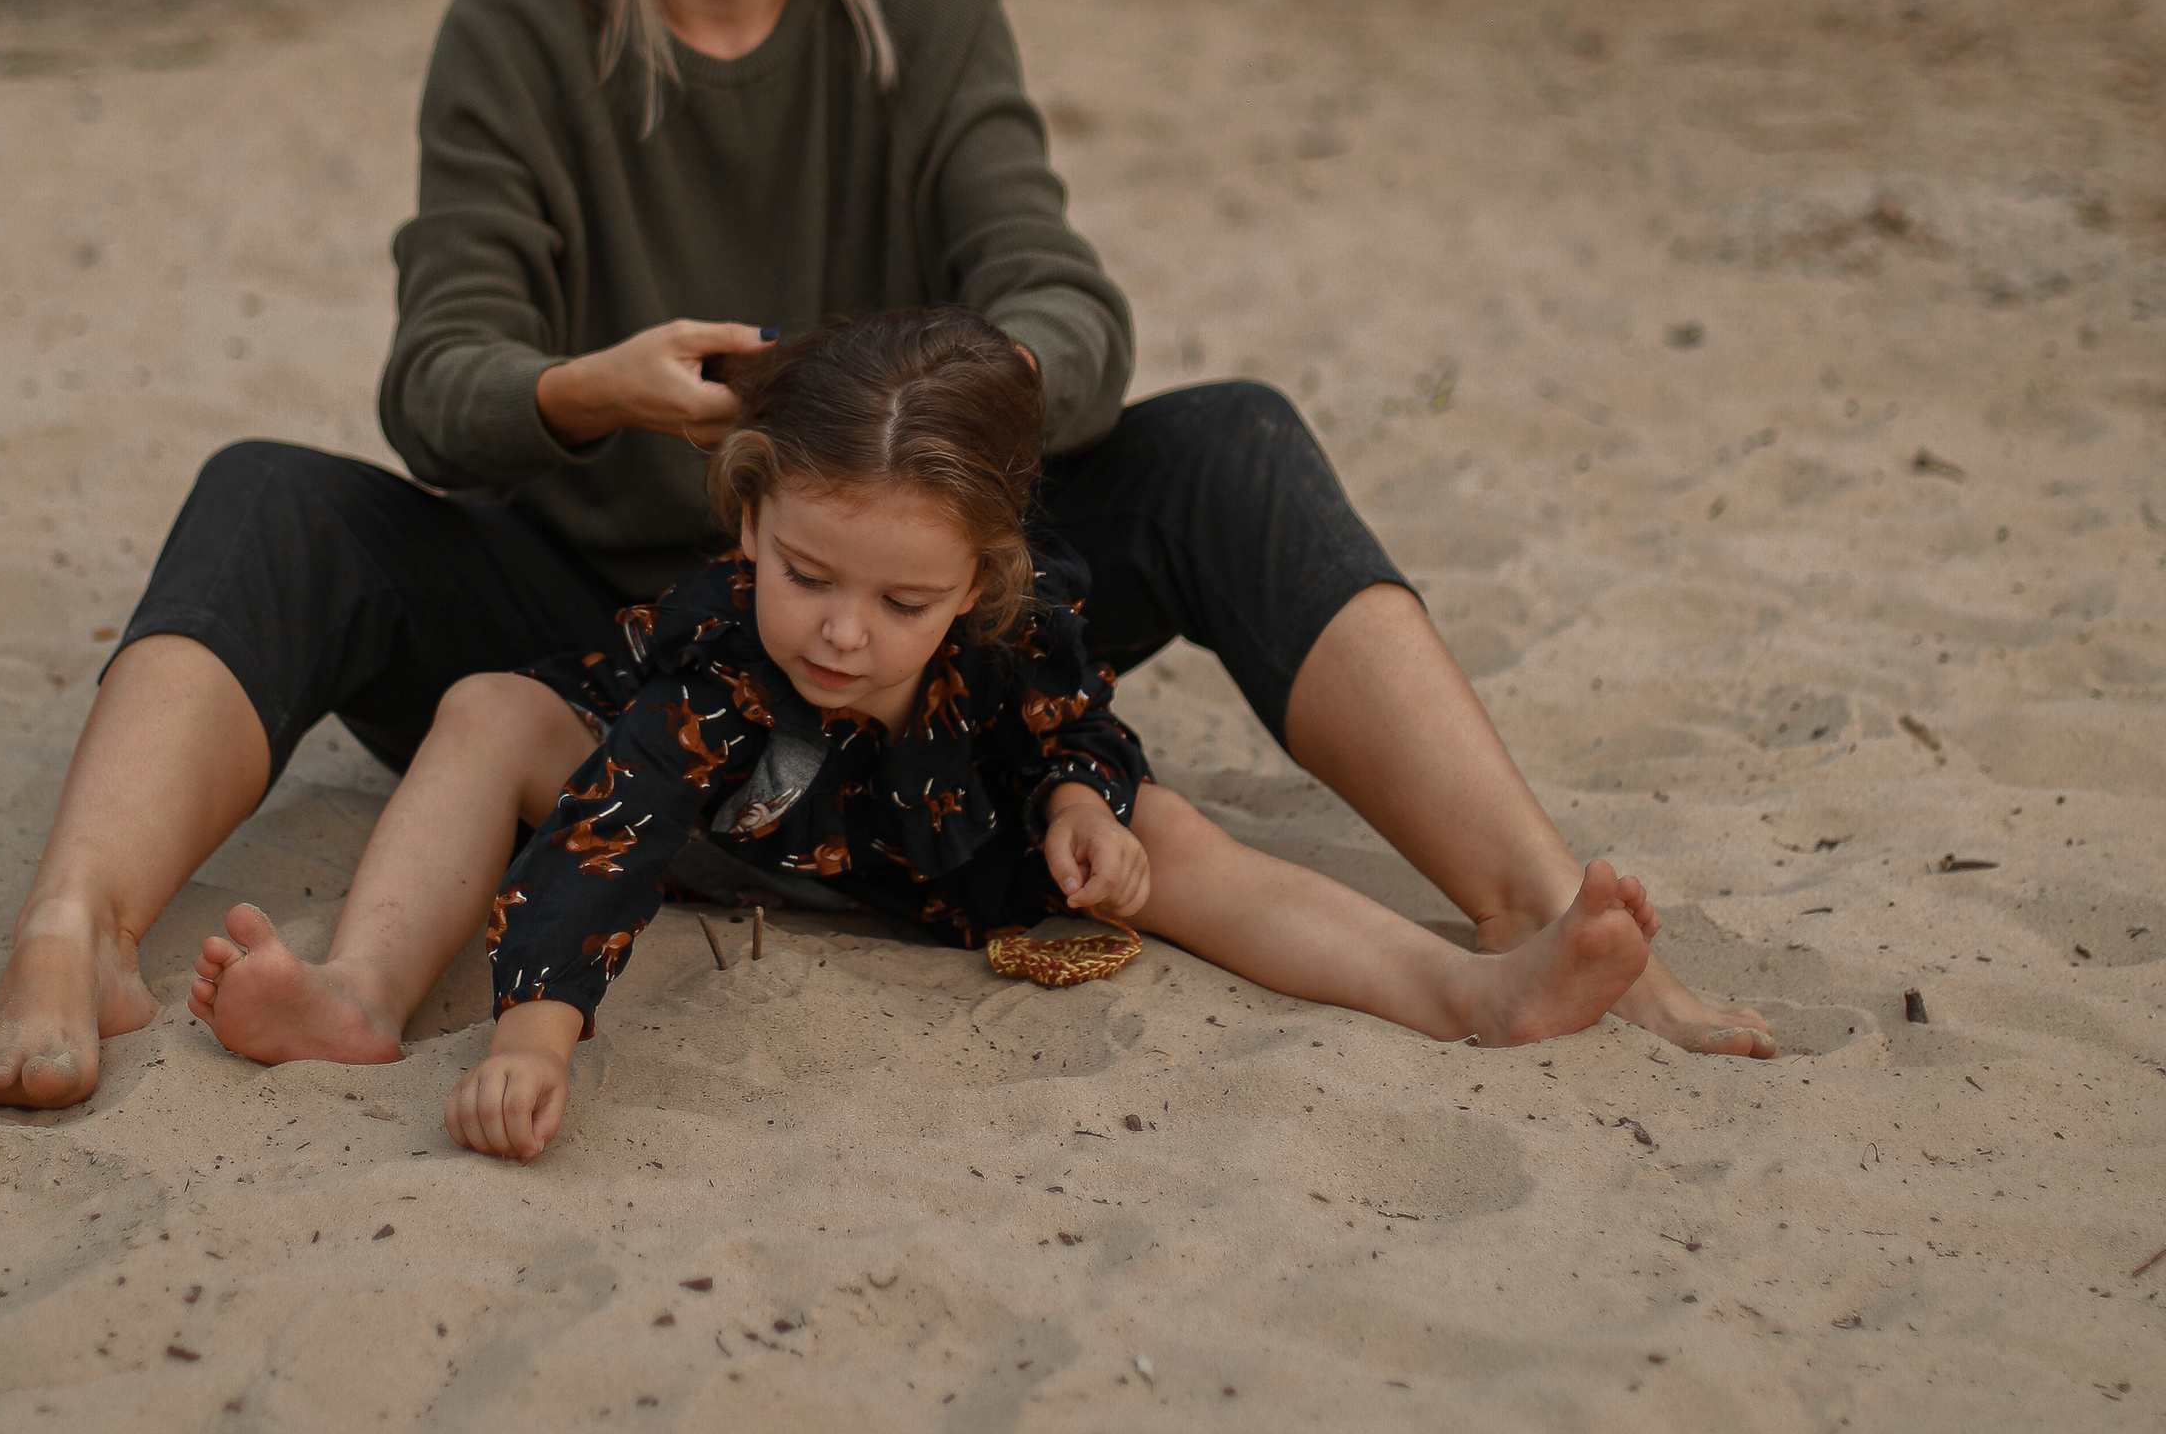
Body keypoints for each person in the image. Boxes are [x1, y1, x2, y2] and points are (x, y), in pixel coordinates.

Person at [0, 0, 1769, 1112]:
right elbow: (439, 385)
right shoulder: (512, 29)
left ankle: (1530, 905)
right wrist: (597, 391)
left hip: (907, 612)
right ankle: (72, 932)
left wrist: (937, 422)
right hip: (596, 637)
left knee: (1231, 442)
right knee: (266, 496)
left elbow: (1065, 297)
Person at [188, 311, 1664, 1159]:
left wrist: (1080, 804)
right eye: (808, 575)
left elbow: (1077, 723)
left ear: (979, 579)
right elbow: (607, 839)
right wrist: (534, 1039)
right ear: (749, 517)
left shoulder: (1018, 622)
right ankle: (361, 992)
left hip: (947, 844)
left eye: (902, 601)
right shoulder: (720, 654)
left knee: (1174, 840)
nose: (842, 632)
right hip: (728, 824)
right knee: (485, 710)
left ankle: (1472, 989)